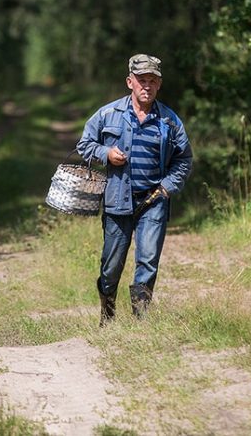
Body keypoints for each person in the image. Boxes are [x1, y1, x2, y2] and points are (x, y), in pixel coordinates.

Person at [76, 54, 193, 325]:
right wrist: (105, 153)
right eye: (142, 81)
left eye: (153, 81)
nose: (147, 86)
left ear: (159, 85)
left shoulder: (169, 121)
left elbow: (184, 159)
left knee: (148, 260)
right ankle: (108, 312)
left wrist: (166, 188)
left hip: (154, 201)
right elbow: (84, 145)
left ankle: (141, 322)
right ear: (130, 82)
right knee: (111, 264)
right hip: (118, 200)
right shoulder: (108, 114)